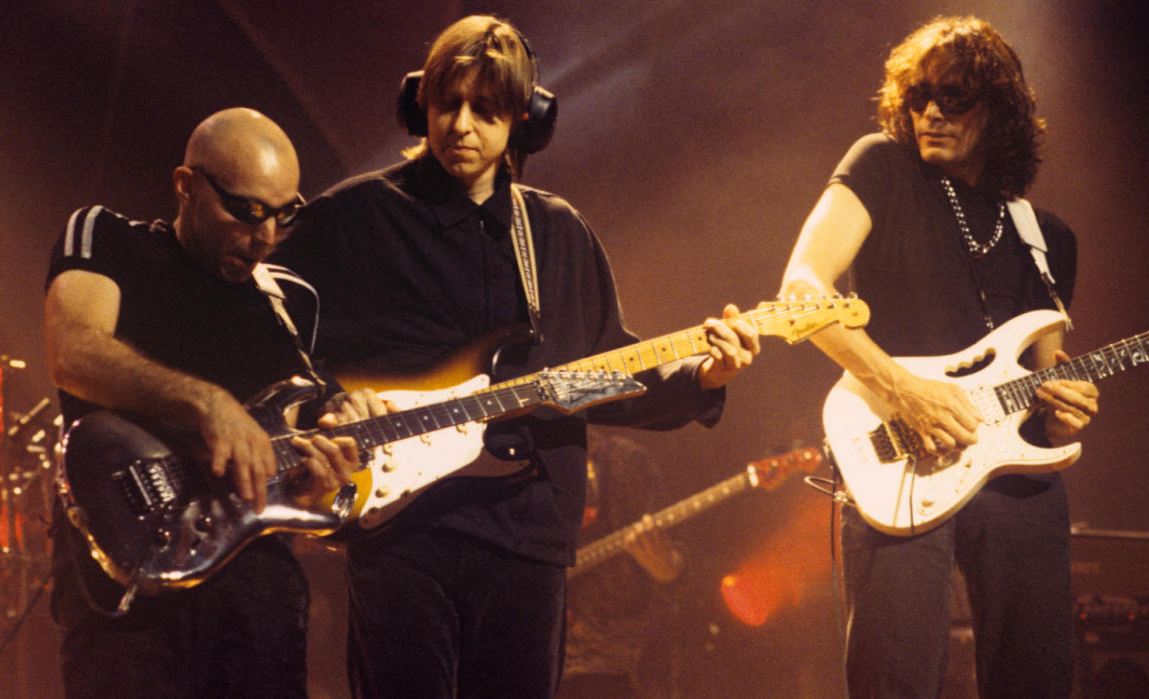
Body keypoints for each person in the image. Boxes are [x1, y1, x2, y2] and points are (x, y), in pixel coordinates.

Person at [271, 15, 759, 697]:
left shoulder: (555, 231)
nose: (461, 125)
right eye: (447, 104)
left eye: (486, 109)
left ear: (524, 120)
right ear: (421, 104)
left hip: (528, 540)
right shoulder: (354, 217)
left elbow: (596, 375)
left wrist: (702, 376)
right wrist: (327, 398)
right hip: (403, 533)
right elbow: (262, 326)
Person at [778, 16, 1100, 698]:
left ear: (999, 110)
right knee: (892, 679)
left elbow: (1049, 375)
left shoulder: (1048, 238)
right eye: (920, 94)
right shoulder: (881, 167)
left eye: (954, 97)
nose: (930, 111)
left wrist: (1069, 409)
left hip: (1019, 482)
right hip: (901, 456)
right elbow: (801, 290)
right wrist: (899, 390)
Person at [44, 107, 379, 697]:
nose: (266, 236)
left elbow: (310, 474)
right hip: (128, 590)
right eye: (247, 212)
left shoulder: (288, 301)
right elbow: (73, 352)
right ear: (186, 186)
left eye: (283, 214)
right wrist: (207, 403)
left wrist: (321, 482)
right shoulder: (106, 237)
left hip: (258, 611)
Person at [559, 433, 686, 699]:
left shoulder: (627, 461)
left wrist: (670, 571)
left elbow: (693, 560)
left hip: (614, 670)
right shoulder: (493, 469)